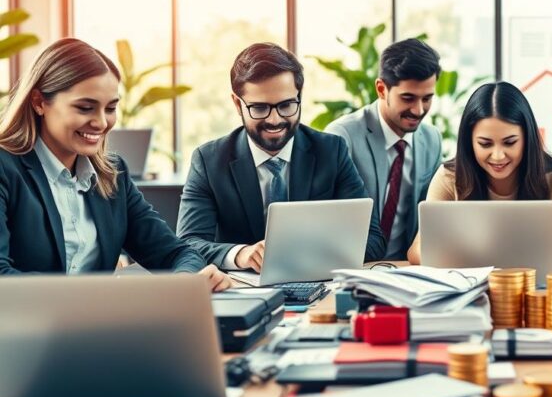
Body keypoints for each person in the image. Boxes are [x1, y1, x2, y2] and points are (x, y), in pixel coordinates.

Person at [0, 38, 230, 291]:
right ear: (39, 102)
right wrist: (98, 298)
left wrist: (186, 282)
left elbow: (176, 252)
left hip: (98, 325)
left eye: (110, 108)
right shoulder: (6, 168)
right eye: (85, 108)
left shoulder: (112, 174)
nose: (101, 123)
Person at [177, 42, 386, 270]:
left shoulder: (331, 151)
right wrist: (240, 254)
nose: (275, 120)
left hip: (317, 287)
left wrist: (297, 253)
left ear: (299, 96)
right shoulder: (209, 161)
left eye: (286, 105)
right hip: (241, 291)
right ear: (237, 104)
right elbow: (188, 244)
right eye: (259, 108)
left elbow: (373, 240)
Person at [408, 81, 552, 264]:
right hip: (468, 285)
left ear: (527, 137)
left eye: (510, 142)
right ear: (469, 142)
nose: (498, 156)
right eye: (485, 144)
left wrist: (494, 258)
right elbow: (417, 250)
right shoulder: (449, 177)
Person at [325, 39, 443, 261]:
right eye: (408, 98)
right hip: (354, 265)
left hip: (407, 268)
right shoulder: (342, 136)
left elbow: (432, 217)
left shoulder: (432, 139)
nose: (418, 110)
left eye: (427, 99)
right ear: (381, 89)